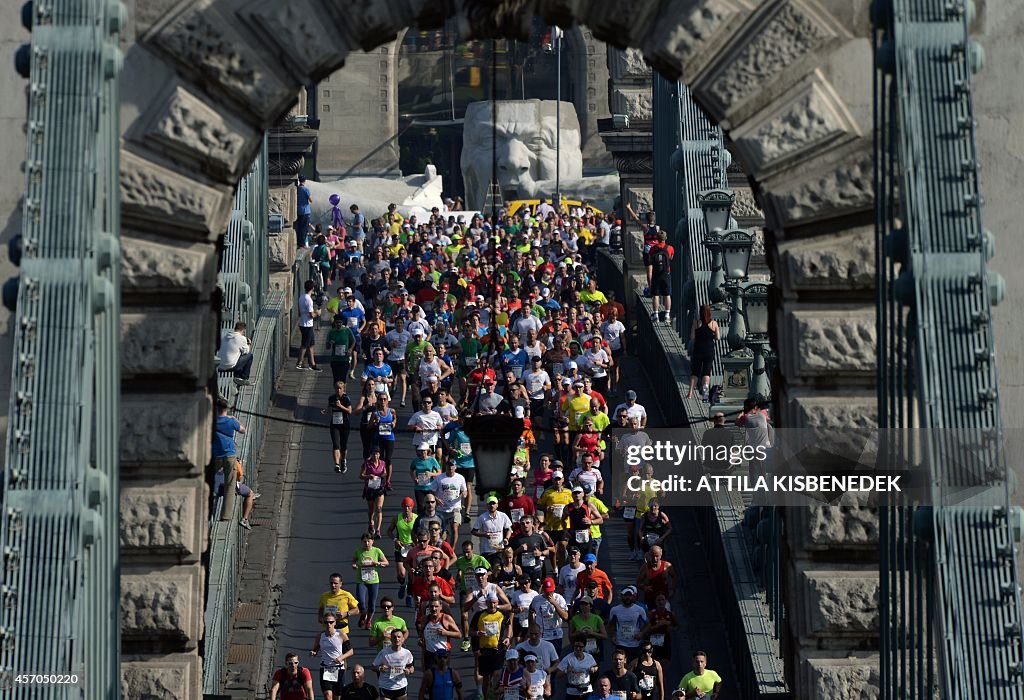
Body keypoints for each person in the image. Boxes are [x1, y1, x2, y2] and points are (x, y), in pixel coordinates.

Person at [212, 398, 256, 529]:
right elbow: (243, 430)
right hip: (230, 455)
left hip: (215, 455)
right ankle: (226, 515)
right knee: (230, 484)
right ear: (227, 409)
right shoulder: (231, 421)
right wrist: (234, 419)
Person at [311, 614, 354, 699]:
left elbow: (351, 651)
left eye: (331, 622)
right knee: (328, 695)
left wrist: (341, 657)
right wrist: (313, 652)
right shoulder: (320, 636)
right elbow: (315, 649)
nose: (329, 624)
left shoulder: (341, 635)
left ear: (335, 623)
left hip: (338, 668)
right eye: (326, 622)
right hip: (325, 668)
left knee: (337, 697)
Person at [353, 532, 390, 630]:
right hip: (361, 580)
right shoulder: (358, 552)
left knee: (372, 604)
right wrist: (354, 565)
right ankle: (363, 614)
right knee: (360, 602)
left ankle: (368, 620)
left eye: (369, 541)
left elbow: (386, 563)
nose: (367, 543)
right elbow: (354, 561)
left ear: (372, 541)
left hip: (373, 581)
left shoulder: (377, 551)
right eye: (364, 541)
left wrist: (377, 563)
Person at [387, 497, 419, 601]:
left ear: (412, 507)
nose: (406, 508)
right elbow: (389, 531)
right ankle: (402, 584)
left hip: (412, 548)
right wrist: (395, 540)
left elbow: (421, 532)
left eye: (409, 506)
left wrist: (417, 542)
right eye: (405, 506)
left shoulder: (416, 518)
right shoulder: (397, 518)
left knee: (411, 573)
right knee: (401, 574)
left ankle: (409, 595)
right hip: (400, 548)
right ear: (402, 507)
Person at [371, 629, 415, 700]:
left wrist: (409, 671)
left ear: (403, 639)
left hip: (401, 686)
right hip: (386, 686)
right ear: (391, 639)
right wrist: (380, 668)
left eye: (399, 637)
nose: (396, 639)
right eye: (394, 637)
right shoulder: (383, 653)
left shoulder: (407, 653)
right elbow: (373, 667)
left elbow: (412, 667)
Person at [687, 305, 719, 401]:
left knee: (695, 372)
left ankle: (690, 393)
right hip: (709, 350)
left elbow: (692, 337)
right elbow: (718, 337)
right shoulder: (714, 324)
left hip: (698, 350)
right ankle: (705, 394)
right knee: (706, 372)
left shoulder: (696, 323)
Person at [607, 587, 647, 661]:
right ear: (621, 596)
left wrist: (641, 633)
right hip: (620, 643)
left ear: (633, 596)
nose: (627, 597)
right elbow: (610, 626)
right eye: (625, 595)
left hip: (634, 643)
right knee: (621, 666)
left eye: (629, 595)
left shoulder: (640, 610)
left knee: (633, 666)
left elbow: (647, 625)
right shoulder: (615, 610)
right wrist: (612, 636)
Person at [323, 381, 353, 473]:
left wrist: (340, 406)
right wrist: (325, 411)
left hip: (345, 425)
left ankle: (343, 460)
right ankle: (337, 464)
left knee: (343, 446)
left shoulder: (346, 398)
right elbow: (329, 408)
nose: (338, 390)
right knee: (336, 444)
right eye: (337, 388)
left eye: (340, 388)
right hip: (334, 424)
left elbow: (350, 411)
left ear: (343, 389)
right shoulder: (331, 398)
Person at [361, 446, 390, 537]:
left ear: (379, 454)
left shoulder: (382, 463)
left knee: (379, 508)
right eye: (374, 454)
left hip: (379, 488)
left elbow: (385, 472)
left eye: (377, 454)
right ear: (371, 454)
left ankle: (378, 530)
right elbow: (361, 475)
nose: (375, 456)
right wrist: (368, 476)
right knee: (371, 509)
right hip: (370, 489)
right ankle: (371, 523)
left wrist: (382, 475)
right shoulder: (367, 464)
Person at [646, 231, 674, 324]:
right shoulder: (670, 248)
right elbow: (670, 258)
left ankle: (656, 315)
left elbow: (650, 261)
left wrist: (649, 283)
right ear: (665, 238)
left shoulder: (653, 249)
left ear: (657, 239)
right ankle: (667, 315)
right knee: (667, 294)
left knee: (656, 295)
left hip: (656, 274)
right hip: (666, 273)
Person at [298, 279, 324, 371]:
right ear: (312, 288)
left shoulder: (301, 297)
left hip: (303, 323)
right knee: (305, 344)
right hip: (307, 325)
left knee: (311, 344)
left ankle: (312, 363)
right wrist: (318, 313)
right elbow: (311, 315)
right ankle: (299, 362)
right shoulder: (309, 300)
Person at [217, 320, 254, 386]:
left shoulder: (225, 337)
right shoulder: (241, 338)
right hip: (230, 367)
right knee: (249, 356)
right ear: (243, 330)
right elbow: (247, 351)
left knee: (235, 355)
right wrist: (249, 343)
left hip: (220, 366)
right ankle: (243, 378)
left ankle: (238, 377)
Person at [327, 315, 357, 384]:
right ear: (334, 323)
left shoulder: (347, 331)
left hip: (344, 359)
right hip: (335, 359)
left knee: (343, 379)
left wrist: (350, 349)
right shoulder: (331, 332)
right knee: (336, 380)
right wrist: (330, 343)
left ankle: (343, 394)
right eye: (337, 322)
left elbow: (354, 341)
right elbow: (327, 347)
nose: (338, 324)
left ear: (342, 322)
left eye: (340, 322)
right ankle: (337, 393)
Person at [297, 175, 313, 248]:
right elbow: (310, 200)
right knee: (304, 228)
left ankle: (299, 242)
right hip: (305, 211)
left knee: (299, 227)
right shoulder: (306, 189)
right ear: (304, 181)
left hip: (298, 210)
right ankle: (302, 243)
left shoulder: (297, 189)